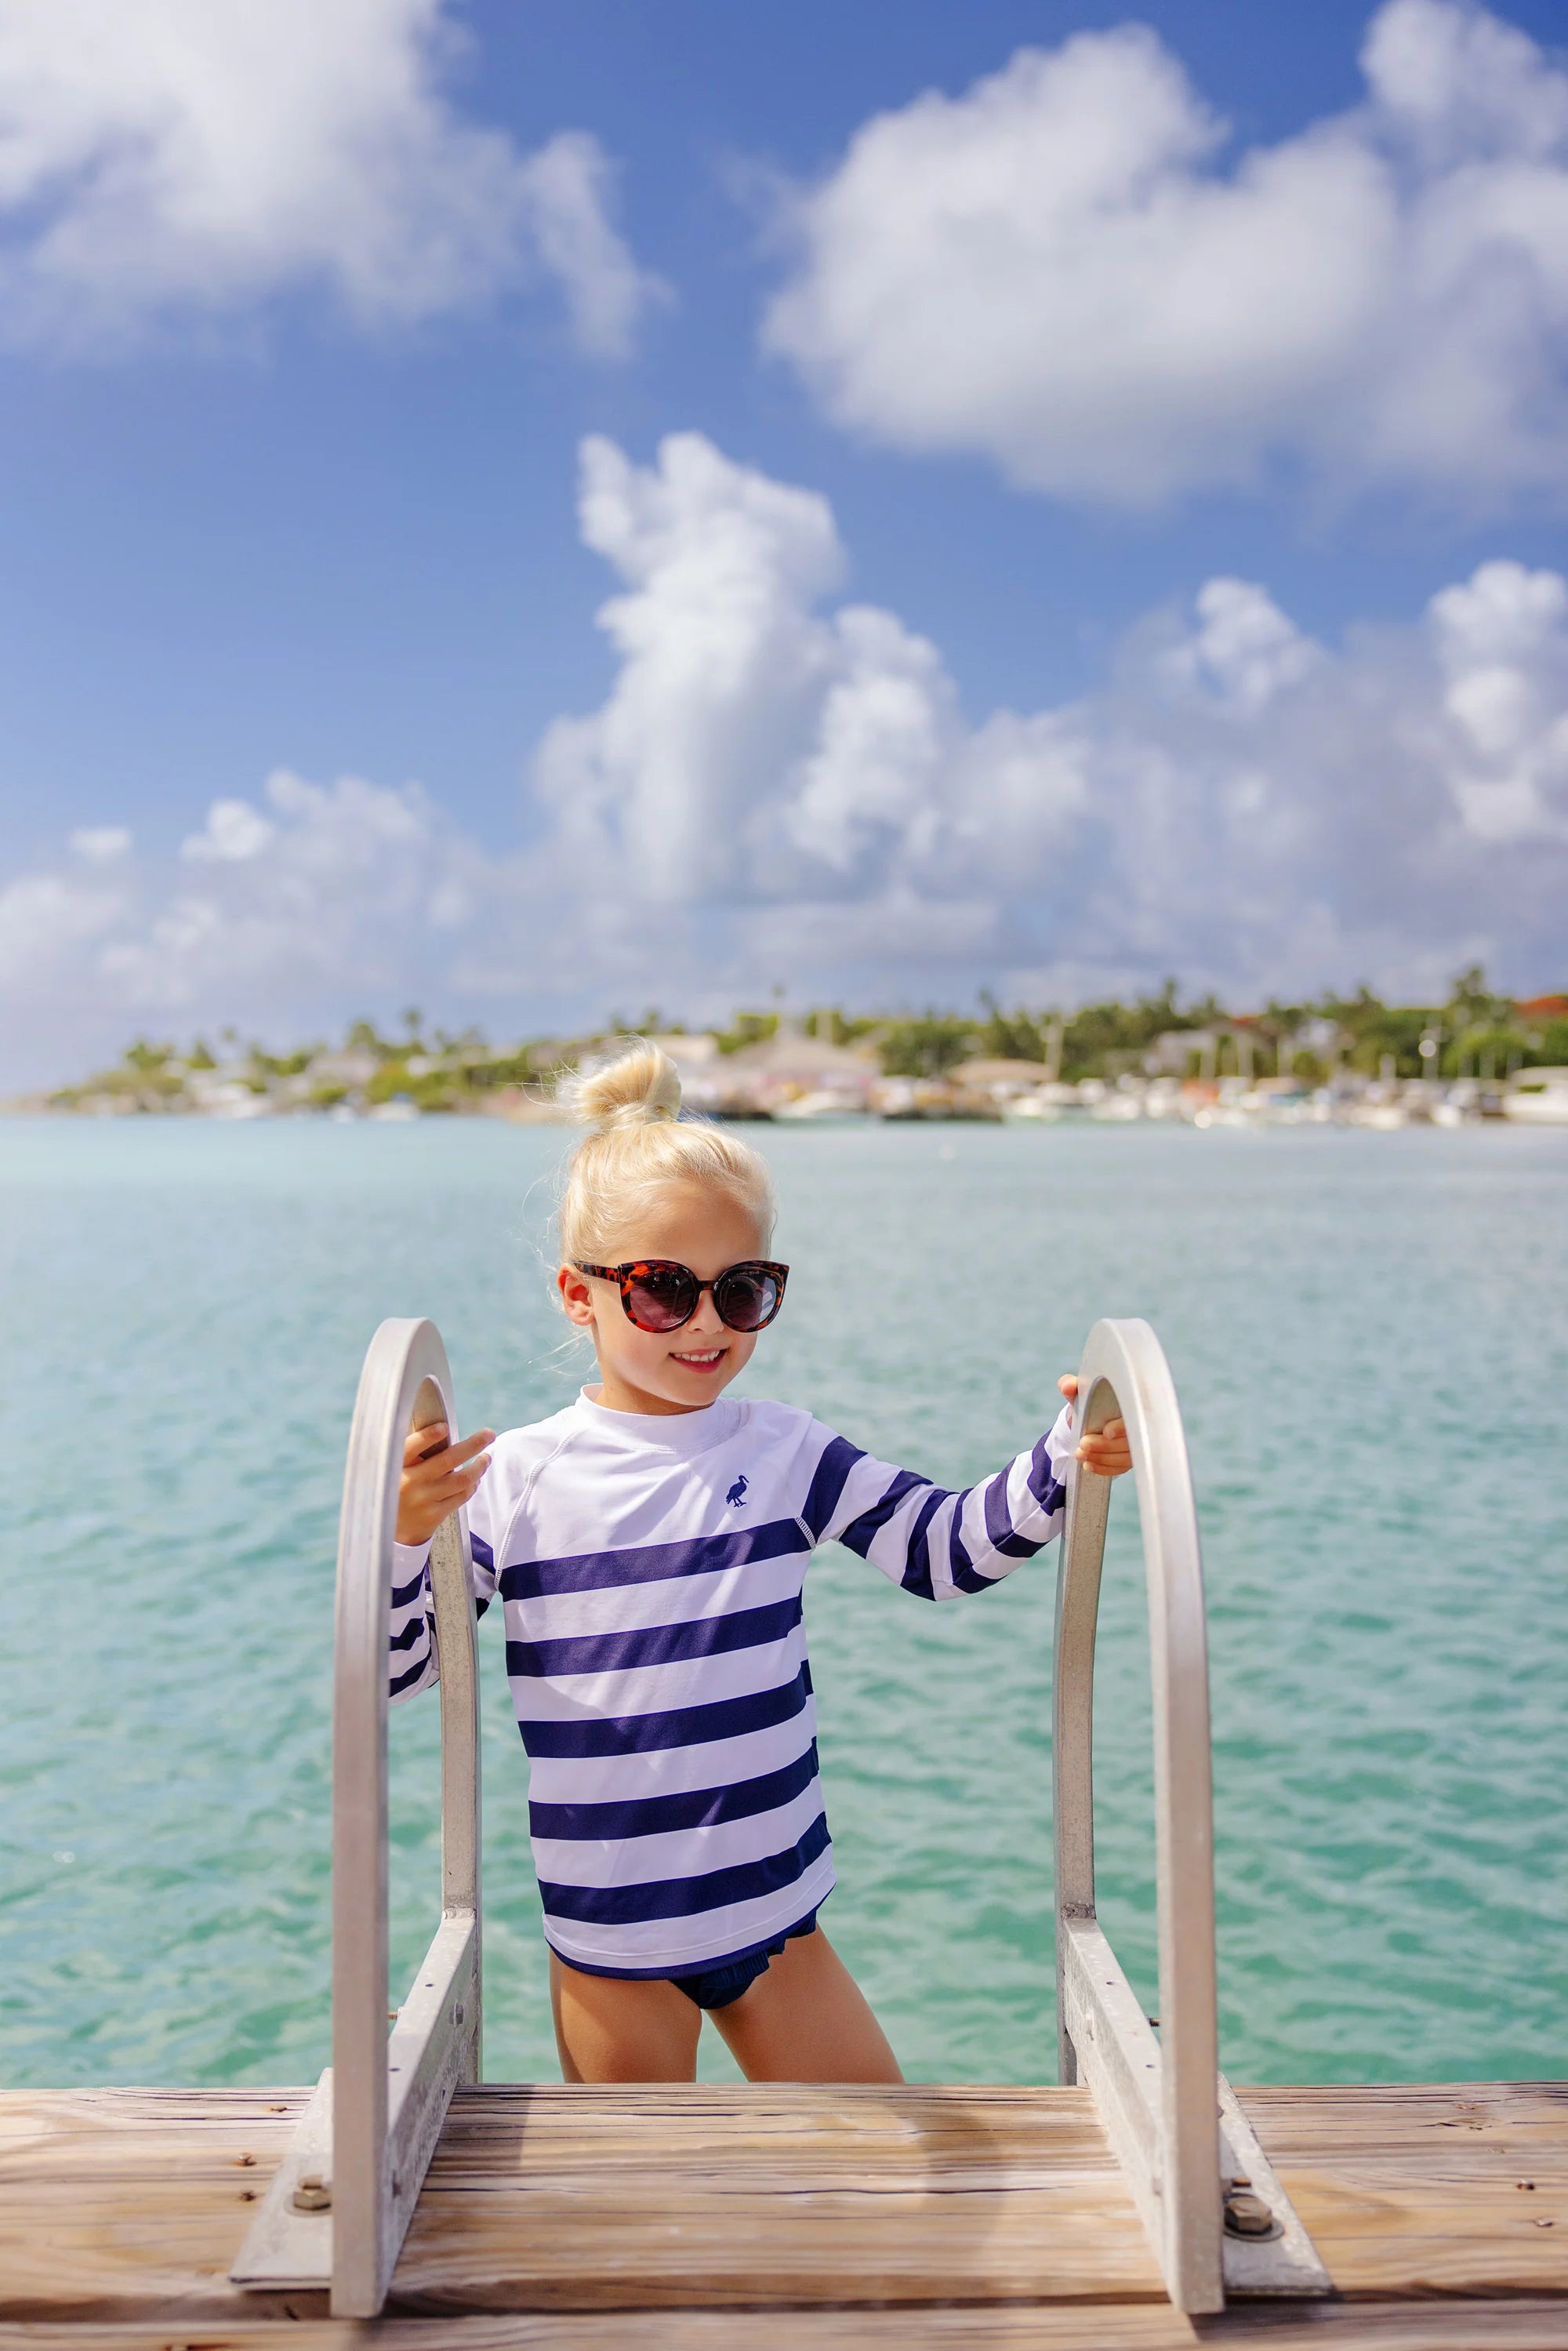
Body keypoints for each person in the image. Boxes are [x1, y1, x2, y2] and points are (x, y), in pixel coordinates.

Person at [390, 1038, 1132, 2085]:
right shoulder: (514, 1480)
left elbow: (947, 1549)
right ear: (579, 1293)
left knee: (871, 2190)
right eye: (660, 1291)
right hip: (614, 1943)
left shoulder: (785, 1450)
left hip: (778, 1921)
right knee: (654, 2228)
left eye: (741, 1291)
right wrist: (405, 1533)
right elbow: (401, 1667)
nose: (705, 1325)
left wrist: (1068, 1454)